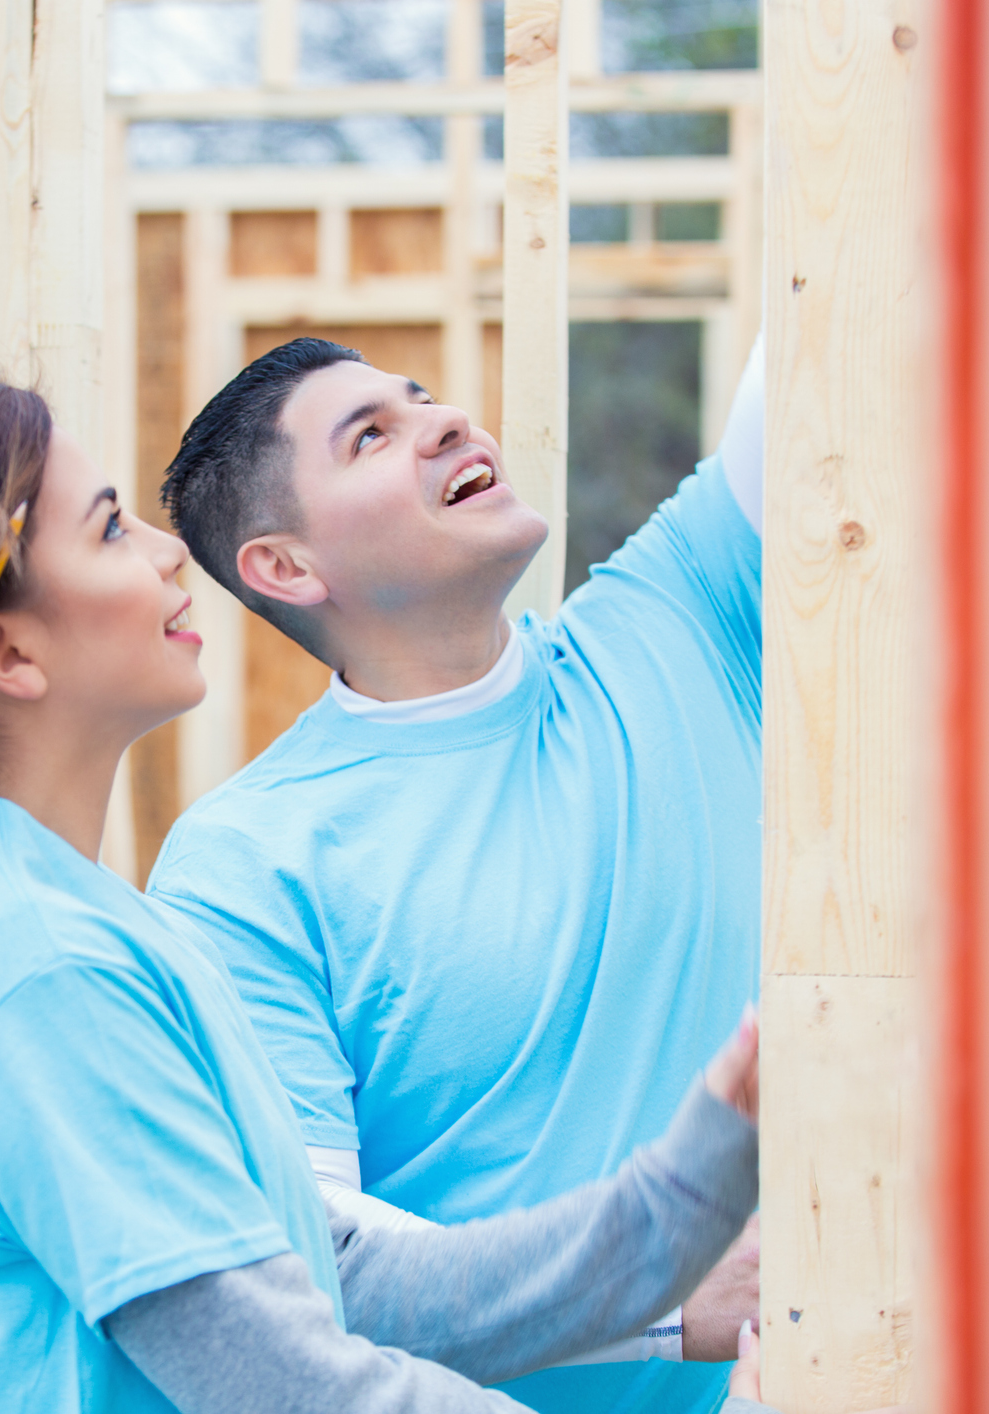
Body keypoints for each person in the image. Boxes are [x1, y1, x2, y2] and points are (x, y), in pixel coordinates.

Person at [0, 376, 782, 1412]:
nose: (168, 555)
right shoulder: (26, 967)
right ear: (9, 652)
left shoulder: (55, 914)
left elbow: (328, 1272)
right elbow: (286, 1382)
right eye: (109, 527)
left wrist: (680, 1201)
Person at [146, 335, 769, 1363]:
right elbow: (316, 1269)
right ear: (287, 566)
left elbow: (810, 310)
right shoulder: (248, 864)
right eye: (372, 437)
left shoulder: (674, 617)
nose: (446, 422)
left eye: (424, 397)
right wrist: (654, 1301)